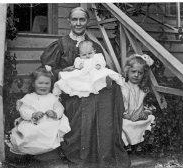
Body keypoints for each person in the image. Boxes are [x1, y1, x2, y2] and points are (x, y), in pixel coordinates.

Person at [41, 6, 130, 168]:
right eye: (74, 19)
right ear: (69, 21)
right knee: (89, 102)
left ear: (87, 21)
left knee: (110, 92)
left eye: (82, 19)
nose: (78, 23)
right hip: (72, 90)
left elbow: (102, 67)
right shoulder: (60, 44)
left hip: (92, 88)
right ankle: (83, 152)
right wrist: (63, 72)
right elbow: (47, 71)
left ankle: (103, 150)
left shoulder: (94, 44)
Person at [8, 67, 71, 155]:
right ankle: (31, 151)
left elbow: (60, 109)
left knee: (51, 130)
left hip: (50, 121)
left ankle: (49, 151)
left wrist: (54, 113)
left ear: (51, 84)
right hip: (33, 122)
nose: (43, 86)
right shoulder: (29, 97)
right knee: (30, 131)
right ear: (33, 84)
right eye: (40, 83)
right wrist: (33, 114)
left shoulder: (53, 97)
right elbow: (23, 110)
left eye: (47, 83)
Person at [108, 54, 155, 147]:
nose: (136, 75)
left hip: (139, 119)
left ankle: (141, 143)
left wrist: (146, 112)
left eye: (140, 73)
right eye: (133, 71)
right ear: (127, 71)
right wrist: (125, 114)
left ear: (144, 74)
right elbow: (117, 105)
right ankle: (128, 144)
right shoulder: (123, 87)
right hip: (126, 118)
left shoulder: (144, 89)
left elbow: (150, 105)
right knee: (123, 125)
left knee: (151, 119)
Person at [52, 40, 118, 98]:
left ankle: (107, 82)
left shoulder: (97, 56)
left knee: (101, 75)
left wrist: (99, 65)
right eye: (84, 55)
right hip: (84, 73)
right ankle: (66, 88)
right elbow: (76, 65)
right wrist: (79, 66)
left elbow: (101, 61)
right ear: (79, 54)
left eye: (90, 53)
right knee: (71, 78)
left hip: (95, 71)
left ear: (94, 51)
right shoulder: (79, 59)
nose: (87, 56)